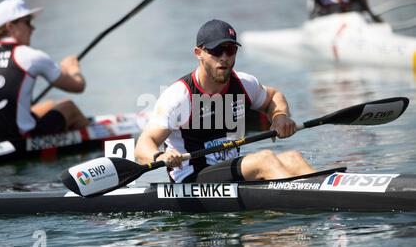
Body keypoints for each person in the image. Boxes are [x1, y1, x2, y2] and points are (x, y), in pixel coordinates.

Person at [134, 19, 316, 183]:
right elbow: (143, 145)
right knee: (265, 159)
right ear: (199, 53)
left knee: (294, 158)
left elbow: (274, 96)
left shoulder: (244, 84)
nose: (224, 57)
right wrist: (160, 157)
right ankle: (306, 203)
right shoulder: (179, 95)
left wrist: (279, 116)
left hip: (230, 169)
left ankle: (328, 204)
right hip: (192, 178)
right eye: (216, 50)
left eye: (230, 50)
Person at [0, 0, 89, 143]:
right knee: (69, 107)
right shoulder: (30, 55)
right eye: (27, 22)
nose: (33, 28)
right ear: (10, 27)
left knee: (49, 105)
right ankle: (94, 142)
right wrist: (72, 67)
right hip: (20, 140)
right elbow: (77, 86)